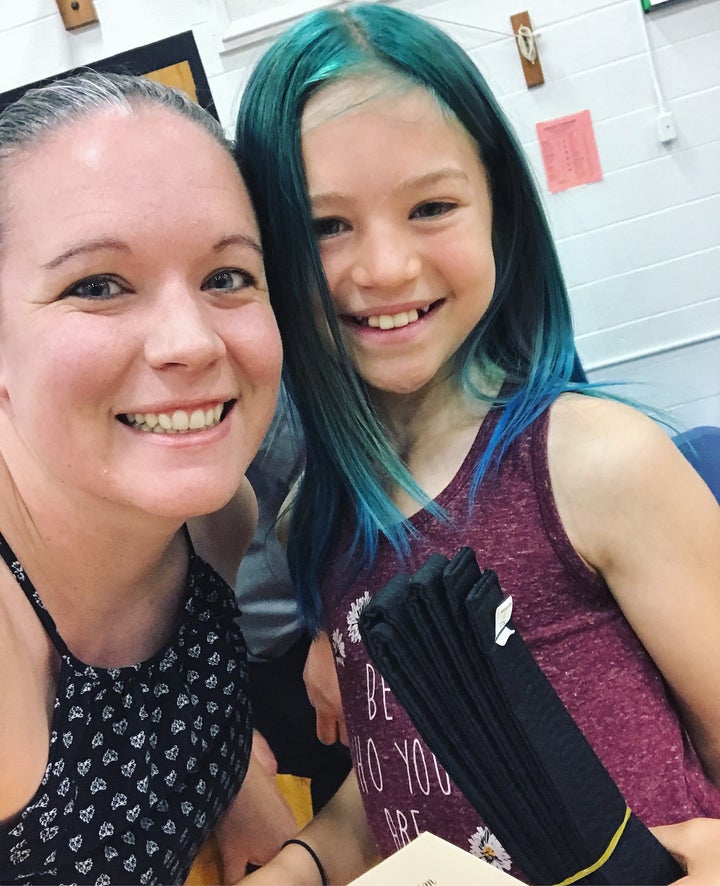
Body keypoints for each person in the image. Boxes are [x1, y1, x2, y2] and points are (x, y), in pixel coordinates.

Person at [232, 5, 720, 884]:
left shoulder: (594, 462)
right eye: (323, 226)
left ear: (500, 210)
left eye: (431, 206)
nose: (384, 268)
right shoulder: (321, 515)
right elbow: (401, 776)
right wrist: (302, 864)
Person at [0, 70, 296, 885]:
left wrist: (235, 785)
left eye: (227, 276)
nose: (191, 342)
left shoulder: (214, 517)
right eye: (97, 286)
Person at [235, 393, 351, 815]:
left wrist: (330, 631)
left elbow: (345, 488)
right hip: (238, 667)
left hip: (309, 643)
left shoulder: (271, 399)